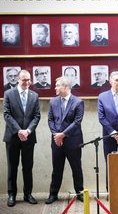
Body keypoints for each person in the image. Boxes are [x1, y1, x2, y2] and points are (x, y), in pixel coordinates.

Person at [3, 70, 41, 207]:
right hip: (13, 137)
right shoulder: (9, 94)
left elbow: (37, 116)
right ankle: (12, 195)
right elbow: (6, 114)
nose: (27, 83)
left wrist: (28, 131)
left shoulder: (34, 95)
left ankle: (27, 194)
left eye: (28, 80)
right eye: (24, 80)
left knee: (27, 167)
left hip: (29, 138)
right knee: (12, 167)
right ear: (18, 80)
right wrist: (19, 130)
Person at [45, 77, 84, 204]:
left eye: (57, 86)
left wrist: (63, 134)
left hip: (73, 141)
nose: (55, 88)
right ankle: (53, 194)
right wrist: (56, 134)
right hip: (56, 141)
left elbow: (77, 122)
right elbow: (50, 120)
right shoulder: (53, 101)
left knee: (76, 168)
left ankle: (80, 193)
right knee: (57, 169)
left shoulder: (78, 102)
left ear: (65, 87)